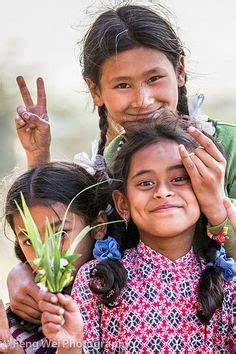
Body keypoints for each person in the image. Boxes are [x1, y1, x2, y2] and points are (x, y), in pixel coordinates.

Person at [11, 2, 235, 324]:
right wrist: (23, 271)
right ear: (95, 90)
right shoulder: (106, 168)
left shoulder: (227, 148)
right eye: (122, 85)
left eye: (154, 78)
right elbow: (61, 233)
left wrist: (216, 206)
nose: (142, 100)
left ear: (180, 71)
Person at [38, 118, 234, 352]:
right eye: (146, 182)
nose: (162, 192)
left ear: (204, 190)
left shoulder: (227, 283)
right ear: (122, 204)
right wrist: (70, 347)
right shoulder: (96, 280)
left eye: (179, 179)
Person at [1, 161, 109, 353]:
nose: (46, 253)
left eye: (59, 234)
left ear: (98, 226)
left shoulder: (117, 298)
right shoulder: (18, 320)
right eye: (30, 242)